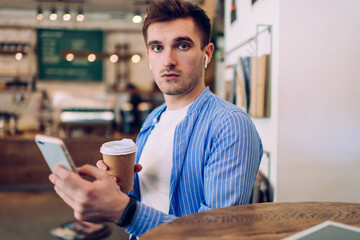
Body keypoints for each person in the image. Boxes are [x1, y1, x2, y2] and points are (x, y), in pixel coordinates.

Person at [49, 0, 263, 238]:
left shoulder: (230, 125)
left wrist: (124, 212)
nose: (168, 60)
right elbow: (148, 201)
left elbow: (218, 233)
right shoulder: (153, 119)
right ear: (149, 55)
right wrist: (113, 193)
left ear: (207, 54)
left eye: (182, 45)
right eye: (158, 47)